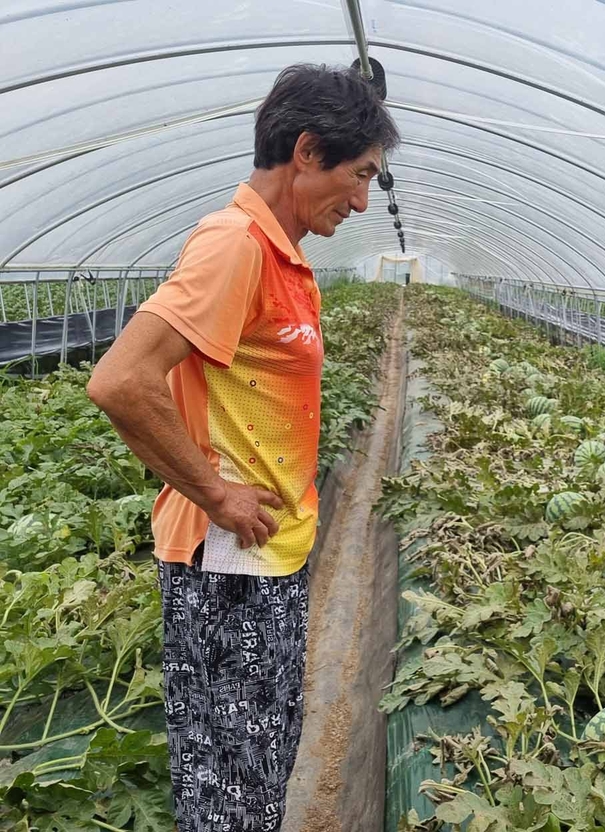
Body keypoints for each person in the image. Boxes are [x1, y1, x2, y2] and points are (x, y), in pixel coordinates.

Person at [87, 63, 400, 831]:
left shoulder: (284, 256)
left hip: (269, 560)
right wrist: (216, 494)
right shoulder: (236, 245)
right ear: (305, 151)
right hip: (226, 568)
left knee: (256, 775)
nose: (361, 201)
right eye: (356, 176)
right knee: (230, 786)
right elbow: (121, 381)